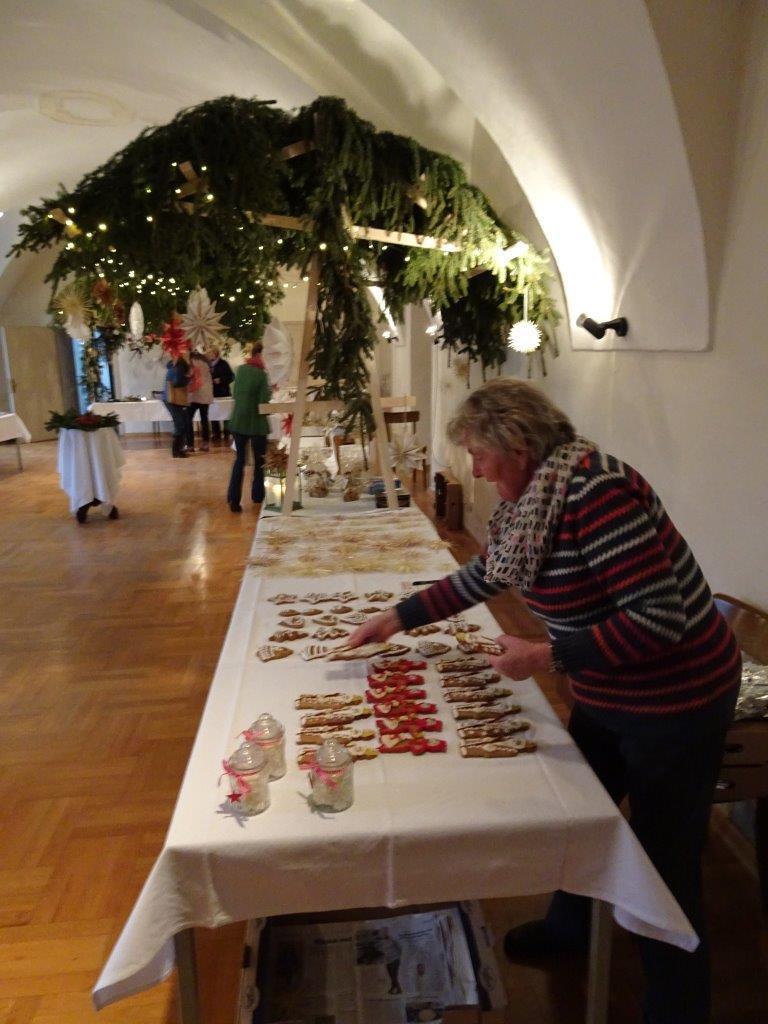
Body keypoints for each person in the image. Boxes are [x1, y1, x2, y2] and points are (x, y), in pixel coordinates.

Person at [349, 378, 741, 1024]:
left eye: (479, 454)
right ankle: (570, 927)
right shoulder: (534, 498)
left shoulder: (597, 494)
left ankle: (678, 1004)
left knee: (663, 857)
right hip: (610, 687)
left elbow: (657, 622)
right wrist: (399, 618)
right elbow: (487, 574)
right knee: (579, 808)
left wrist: (544, 656)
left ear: (519, 445)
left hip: (677, 699)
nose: (474, 469)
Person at [226, 341, 272, 513]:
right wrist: (270, 392)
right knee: (260, 460)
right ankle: (258, 495)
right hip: (256, 423)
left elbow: (235, 393)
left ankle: (233, 498)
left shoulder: (240, 370)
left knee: (239, 460)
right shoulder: (261, 375)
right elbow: (263, 403)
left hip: (238, 421)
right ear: (260, 355)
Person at [163, 350, 192, 458]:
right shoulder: (179, 366)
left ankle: (179, 449)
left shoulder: (174, 365)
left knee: (182, 423)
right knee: (180, 424)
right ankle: (176, 451)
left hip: (170, 398)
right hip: (173, 399)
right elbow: (177, 382)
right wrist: (189, 378)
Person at [186, 350, 213, 452]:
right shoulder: (206, 362)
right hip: (206, 394)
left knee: (188, 419)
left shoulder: (191, 361)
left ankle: (190, 445)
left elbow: (189, 374)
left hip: (195, 394)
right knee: (204, 419)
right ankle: (205, 443)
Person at [208, 346, 235, 442]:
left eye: (211, 353)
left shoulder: (224, 364)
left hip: (223, 392)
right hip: (212, 393)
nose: (210, 355)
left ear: (216, 353)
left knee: (225, 413)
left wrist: (221, 380)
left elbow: (231, 377)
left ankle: (227, 432)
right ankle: (216, 433)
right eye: (209, 353)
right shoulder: (208, 364)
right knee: (213, 413)